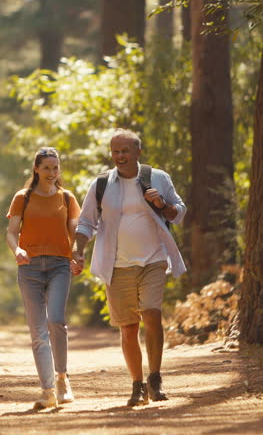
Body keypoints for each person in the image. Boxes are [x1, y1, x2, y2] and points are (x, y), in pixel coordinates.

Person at [71, 129, 187, 407]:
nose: (120, 156)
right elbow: (86, 222)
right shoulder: (101, 184)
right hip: (117, 264)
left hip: (154, 259)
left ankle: (155, 380)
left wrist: (162, 204)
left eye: (125, 151)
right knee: (128, 328)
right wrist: (78, 250)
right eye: (115, 151)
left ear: (138, 152)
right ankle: (137, 385)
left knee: (152, 314)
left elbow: (179, 213)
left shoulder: (157, 177)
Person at [6, 147, 81, 410]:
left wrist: (78, 253)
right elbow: (12, 232)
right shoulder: (22, 198)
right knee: (38, 331)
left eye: (56, 167)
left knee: (56, 320)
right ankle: (47, 390)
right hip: (29, 268)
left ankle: (62, 379)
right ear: (36, 169)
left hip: (60, 264)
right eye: (47, 167)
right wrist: (17, 249)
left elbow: (75, 230)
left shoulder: (67, 198)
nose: (52, 172)